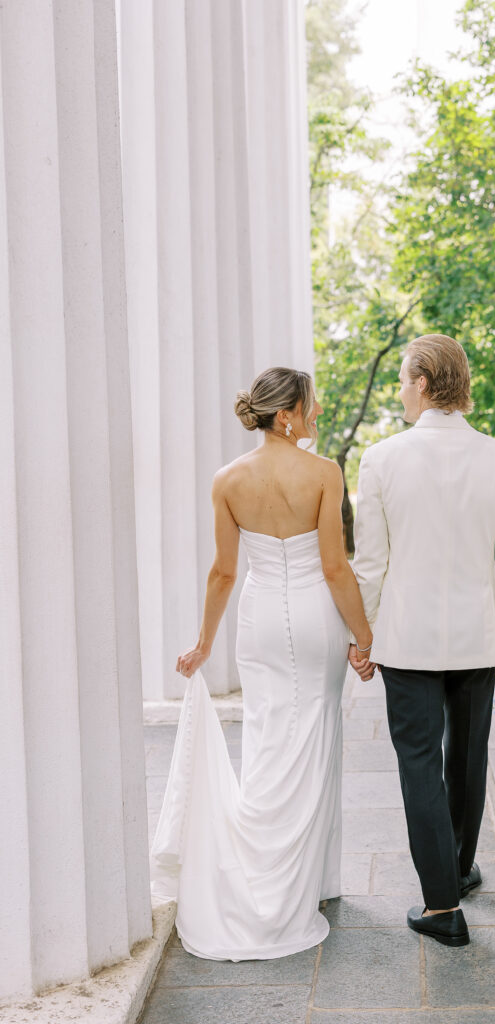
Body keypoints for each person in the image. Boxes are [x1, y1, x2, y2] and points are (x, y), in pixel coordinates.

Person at [149, 367, 373, 961]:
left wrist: (203, 643)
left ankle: (282, 872)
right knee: (318, 731)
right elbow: (334, 567)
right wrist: (364, 636)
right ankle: (304, 883)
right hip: (314, 614)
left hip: (258, 621)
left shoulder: (227, 479)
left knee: (271, 733)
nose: (319, 408)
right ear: (287, 414)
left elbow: (223, 572)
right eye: (312, 401)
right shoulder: (324, 473)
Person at [348, 334, 495, 948]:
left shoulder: (381, 459)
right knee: (467, 758)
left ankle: (442, 907)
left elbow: (371, 566)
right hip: (472, 642)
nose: (401, 392)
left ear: (425, 383)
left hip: (405, 643)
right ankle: (458, 869)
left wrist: (362, 638)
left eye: (405, 380)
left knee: (420, 766)